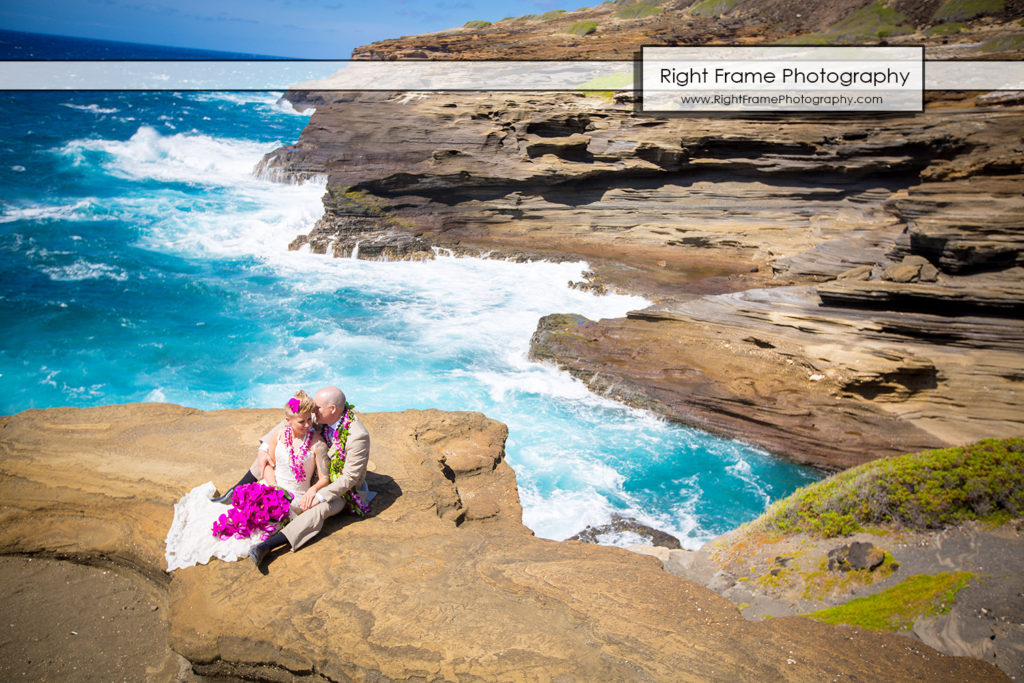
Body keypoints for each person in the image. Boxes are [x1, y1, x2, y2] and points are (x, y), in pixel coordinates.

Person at [213, 386, 371, 570]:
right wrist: (264, 448)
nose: (313, 410)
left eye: (316, 407)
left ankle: (267, 546)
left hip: (342, 489)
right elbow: (290, 420)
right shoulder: (319, 415)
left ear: (332, 409)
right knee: (273, 454)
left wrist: (318, 495)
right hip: (314, 471)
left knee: (319, 509)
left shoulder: (358, 436)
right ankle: (234, 491)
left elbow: (349, 478)